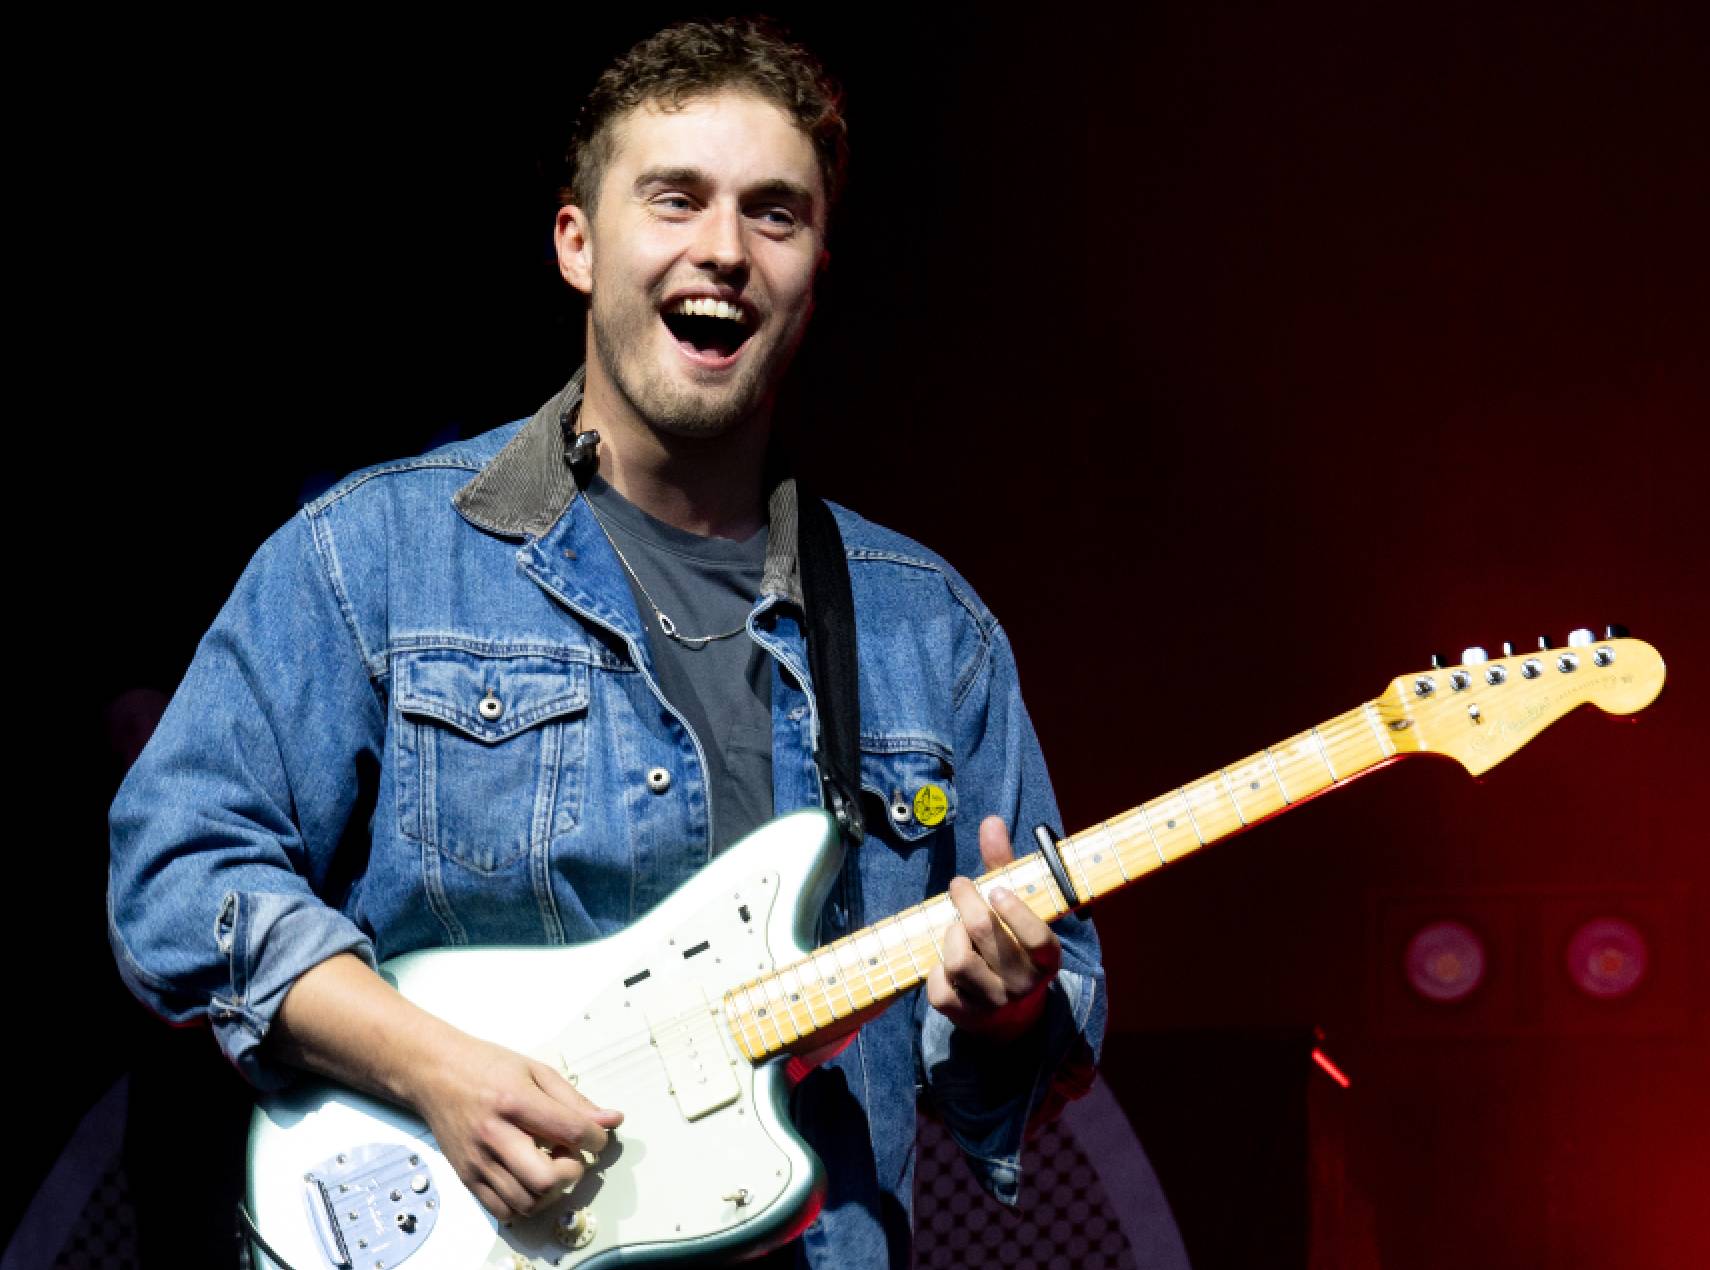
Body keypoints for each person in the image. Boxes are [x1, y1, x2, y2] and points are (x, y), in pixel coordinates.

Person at [105, 18, 1105, 1268]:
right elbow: (179, 871)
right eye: (673, 200)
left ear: (816, 265)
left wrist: (1008, 1013)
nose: (725, 250)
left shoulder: (927, 633)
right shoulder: (372, 554)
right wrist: (435, 1069)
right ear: (577, 243)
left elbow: (1030, 1058)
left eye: (775, 214)